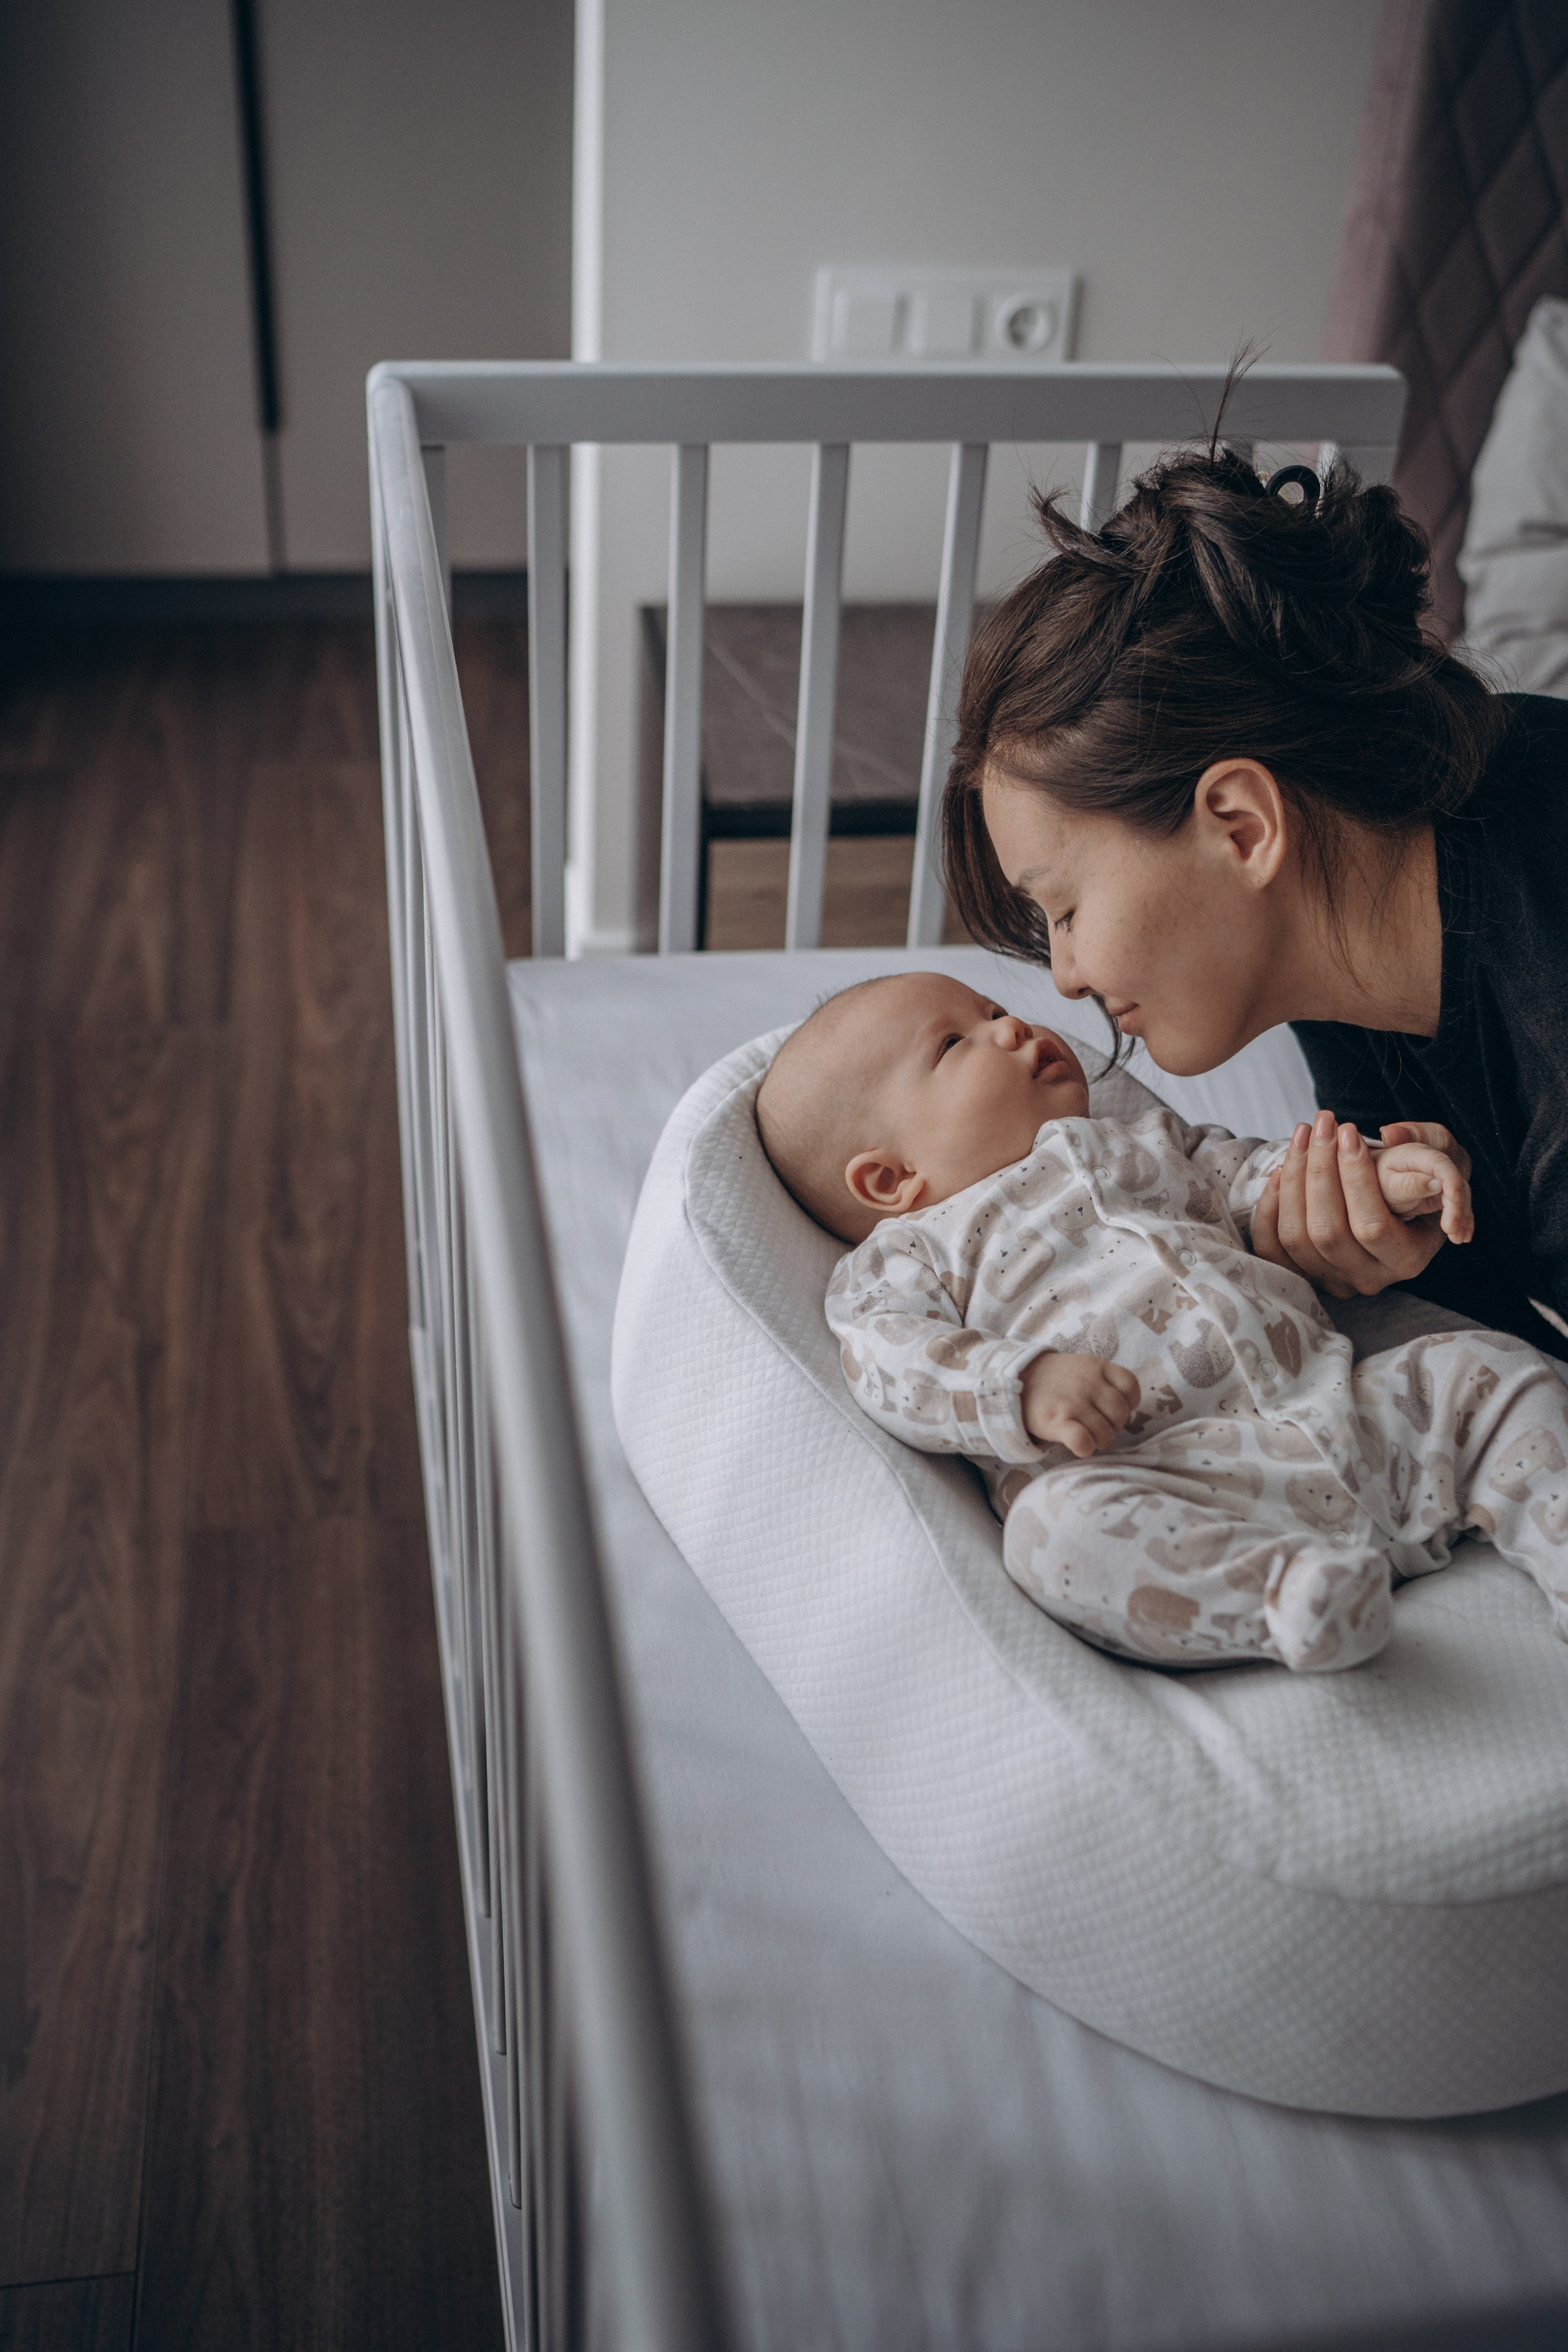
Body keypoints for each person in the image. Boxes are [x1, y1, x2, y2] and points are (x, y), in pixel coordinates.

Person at [755, 969, 1568, 1675]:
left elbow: (1261, 1180)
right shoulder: (908, 1257)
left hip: (1344, 1408)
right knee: (1053, 1535)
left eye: (996, 1007)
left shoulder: (1144, 1142)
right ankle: (1282, 1597)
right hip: (1178, 1482)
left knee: (1490, 1373)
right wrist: (1020, 1382)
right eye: (955, 1043)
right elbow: (892, 1361)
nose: (1009, 1027)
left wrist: (1377, 1177)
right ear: (892, 1179)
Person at [938, 446, 1568, 1355]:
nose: (1067, 979)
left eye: (1065, 910)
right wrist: (1397, 1268)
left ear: (1240, 827)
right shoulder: (1350, 947)